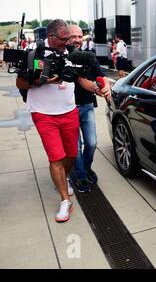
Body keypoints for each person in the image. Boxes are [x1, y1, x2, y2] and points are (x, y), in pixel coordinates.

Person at [15, 19, 98, 223]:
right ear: (51, 37)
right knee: (56, 157)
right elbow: (20, 82)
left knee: (71, 154)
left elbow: (81, 79)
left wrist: (98, 89)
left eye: (69, 38)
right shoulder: (35, 52)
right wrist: (41, 80)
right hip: (43, 114)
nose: (68, 42)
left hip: (69, 111)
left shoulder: (71, 52)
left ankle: (62, 176)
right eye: (63, 39)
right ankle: (65, 200)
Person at [68, 25, 111, 192]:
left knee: (92, 143)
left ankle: (85, 168)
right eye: (73, 36)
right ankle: (81, 175)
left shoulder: (88, 56)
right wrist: (97, 89)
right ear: (67, 38)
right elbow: (81, 81)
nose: (78, 40)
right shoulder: (64, 56)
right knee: (76, 147)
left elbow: (102, 75)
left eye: (80, 36)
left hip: (86, 106)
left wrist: (105, 86)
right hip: (69, 109)